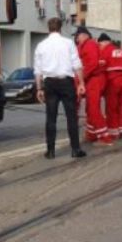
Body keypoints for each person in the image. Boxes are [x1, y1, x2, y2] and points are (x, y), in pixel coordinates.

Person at [34, 17, 87, 159]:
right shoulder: (68, 43)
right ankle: (75, 149)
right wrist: (81, 83)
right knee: (71, 117)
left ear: (48, 28)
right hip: (66, 83)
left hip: (50, 83)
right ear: (60, 28)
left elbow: (38, 70)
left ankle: (50, 151)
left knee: (51, 118)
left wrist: (39, 89)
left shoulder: (41, 45)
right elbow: (77, 65)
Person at [74, 26, 107, 143]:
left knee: (93, 109)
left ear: (83, 35)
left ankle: (104, 137)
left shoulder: (90, 45)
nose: (76, 39)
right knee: (90, 109)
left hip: (94, 79)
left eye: (77, 37)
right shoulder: (83, 46)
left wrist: (80, 79)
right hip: (90, 80)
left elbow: (92, 64)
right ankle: (92, 134)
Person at [100, 34, 122, 140]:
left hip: (112, 82)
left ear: (103, 42)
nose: (100, 46)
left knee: (111, 107)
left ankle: (114, 132)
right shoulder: (121, 51)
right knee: (121, 106)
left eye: (100, 44)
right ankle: (121, 129)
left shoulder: (105, 52)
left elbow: (101, 69)